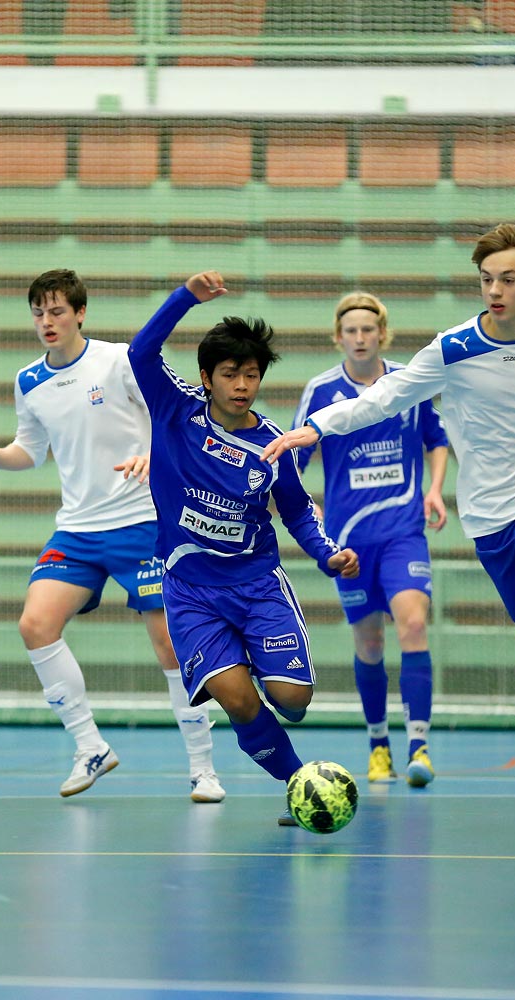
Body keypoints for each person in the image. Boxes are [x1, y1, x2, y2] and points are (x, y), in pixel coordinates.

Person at [263, 223, 515, 815]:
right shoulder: (452, 349)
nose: (495, 290)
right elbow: (386, 396)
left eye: (509, 278)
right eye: (487, 279)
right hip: (491, 516)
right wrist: (317, 426)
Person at [0, 268, 225, 804]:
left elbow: (175, 418)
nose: (46, 322)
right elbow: (29, 452)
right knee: (35, 623)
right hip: (77, 530)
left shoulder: (119, 361)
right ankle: (89, 746)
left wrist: (152, 456)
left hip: (143, 522)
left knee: (172, 645)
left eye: (56, 312)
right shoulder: (29, 381)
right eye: (38, 313)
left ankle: (202, 769)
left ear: (79, 313)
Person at [126, 270, 360, 827]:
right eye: (230, 373)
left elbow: (299, 511)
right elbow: (141, 351)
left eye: (251, 374)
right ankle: (299, 782)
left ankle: (258, 659)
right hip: (190, 592)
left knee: (294, 699)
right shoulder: (176, 410)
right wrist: (187, 297)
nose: (242, 384)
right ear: (207, 376)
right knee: (237, 699)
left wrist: (328, 555)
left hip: (257, 586)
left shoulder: (272, 445)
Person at [292, 292, 449, 788]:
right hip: (350, 542)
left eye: (368, 329)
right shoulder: (320, 392)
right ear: (338, 337)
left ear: (382, 334)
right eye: (351, 331)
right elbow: (294, 466)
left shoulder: (408, 382)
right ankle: (378, 743)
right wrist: (311, 515)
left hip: (404, 531)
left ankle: (419, 744)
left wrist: (436, 490)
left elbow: (437, 440)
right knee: (369, 640)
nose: (360, 338)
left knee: (413, 625)